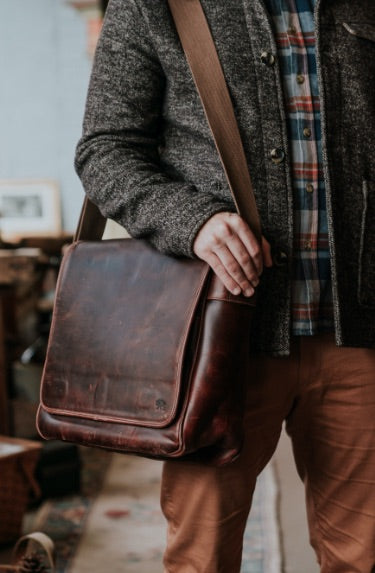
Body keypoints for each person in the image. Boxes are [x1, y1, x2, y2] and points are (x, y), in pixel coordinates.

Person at [74, 0, 375, 570]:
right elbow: (105, 150)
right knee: (202, 556)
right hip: (220, 338)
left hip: (359, 338)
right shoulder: (154, 5)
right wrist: (194, 221)